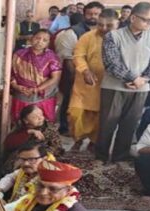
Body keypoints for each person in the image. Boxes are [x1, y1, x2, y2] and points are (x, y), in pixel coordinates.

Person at [96, 2, 150, 163]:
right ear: (133, 17)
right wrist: (132, 78)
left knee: (130, 124)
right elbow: (112, 63)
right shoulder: (113, 36)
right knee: (107, 124)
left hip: (141, 88)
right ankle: (101, 156)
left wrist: (144, 79)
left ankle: (120, 156)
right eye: (146, 20)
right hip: (113, 87)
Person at [68, 8, 119, 150]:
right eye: (100, 24)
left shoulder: (121, 39)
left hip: (108, 84)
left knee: (99, 116)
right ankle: (77, 139)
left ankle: (93, 141)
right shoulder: (87, 36)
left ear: (117, 24)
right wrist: (84, 70)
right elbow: (78, 55)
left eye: (109, 26)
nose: (103, 28)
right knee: (75, 114)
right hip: (85, 84)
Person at [56, 3, 104, 134]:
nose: (93, 17)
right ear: (84, 14)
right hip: (76, 74)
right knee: (72, 105)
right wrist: (77, 75)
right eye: (90, 14)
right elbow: (69, 59)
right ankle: (66, 128)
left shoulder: (108, 32)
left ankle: (91, 132)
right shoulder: (72, 32)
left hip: (99, 77)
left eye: (96, 14)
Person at [10, 30, 62, 123]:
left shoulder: (52, 57)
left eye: (44, 40)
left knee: (42, 122)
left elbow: (55, 78)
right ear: (31, 38)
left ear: (48, 43)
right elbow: (11, 73)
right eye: (37, 38)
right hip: (21, 94)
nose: (40, 42)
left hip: (43, 96)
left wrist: (37, 89)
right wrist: (16, 86)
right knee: (21, 122)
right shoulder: (19, 54)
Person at [3, 105, 63, 174]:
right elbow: (8, 144)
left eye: (41, 114)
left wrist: (41, 154)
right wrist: (28, 132)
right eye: (35, 117)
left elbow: (57, 146)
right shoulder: (21, 128)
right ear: (26, 120)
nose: (40, 118)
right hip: (22, 156)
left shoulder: (49, 128)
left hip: (44, 156)